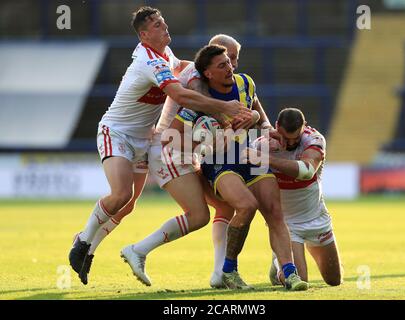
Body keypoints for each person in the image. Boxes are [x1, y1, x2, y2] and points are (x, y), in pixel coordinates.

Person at [68, 6, 250, 285]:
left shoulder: (164, 56)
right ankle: (83, 241)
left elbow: (179, 67)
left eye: (163, 22)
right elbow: (179, 93)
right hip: (117, 132)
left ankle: (88, 250)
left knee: (127, 205)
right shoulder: (148, 61)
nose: (164, 26)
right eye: (156, 25)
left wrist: (207, 68)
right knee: (120, 195)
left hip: (145, 138)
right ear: (144, 34)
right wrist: (223, 105)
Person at [122, 45, 308, 291]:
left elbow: (257, 113)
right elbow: (170, 137)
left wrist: (257, 120)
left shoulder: (245, 84)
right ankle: (228, 270)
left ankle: (289, 273)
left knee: (275, 211)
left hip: (250, 156)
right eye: (222, 65)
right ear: (208, 74)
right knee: (245, 206)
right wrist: (204, 142)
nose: (229, 67)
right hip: (220, 163)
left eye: (229, 63)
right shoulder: (201, 102)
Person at [246, 108, 343, 286]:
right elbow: (255, 185)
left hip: (316, 218)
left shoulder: (314, 139)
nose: (290, 143)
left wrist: (266, 159)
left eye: (295, 138)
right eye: (285, 137)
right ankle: (280, 264)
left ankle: (279, 262)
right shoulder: (261, 145)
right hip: (287, 225)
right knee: (301, 279)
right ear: (276, 127)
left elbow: (306, 171)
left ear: (304, 127)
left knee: (334, 280)